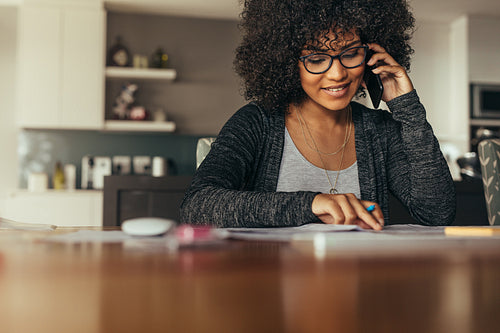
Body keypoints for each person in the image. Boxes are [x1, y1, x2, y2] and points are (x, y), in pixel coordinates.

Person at [180, 0, 456, 229]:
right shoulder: (258, 122)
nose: (337, 74)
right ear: (288, 63)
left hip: (361, 286)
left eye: (350, 54)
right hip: (271, 285)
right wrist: (312, 204)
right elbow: (198, 206)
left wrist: (407, 107)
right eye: (316, 59)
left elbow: (436, 214)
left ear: (370, 55)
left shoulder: (379, 130)